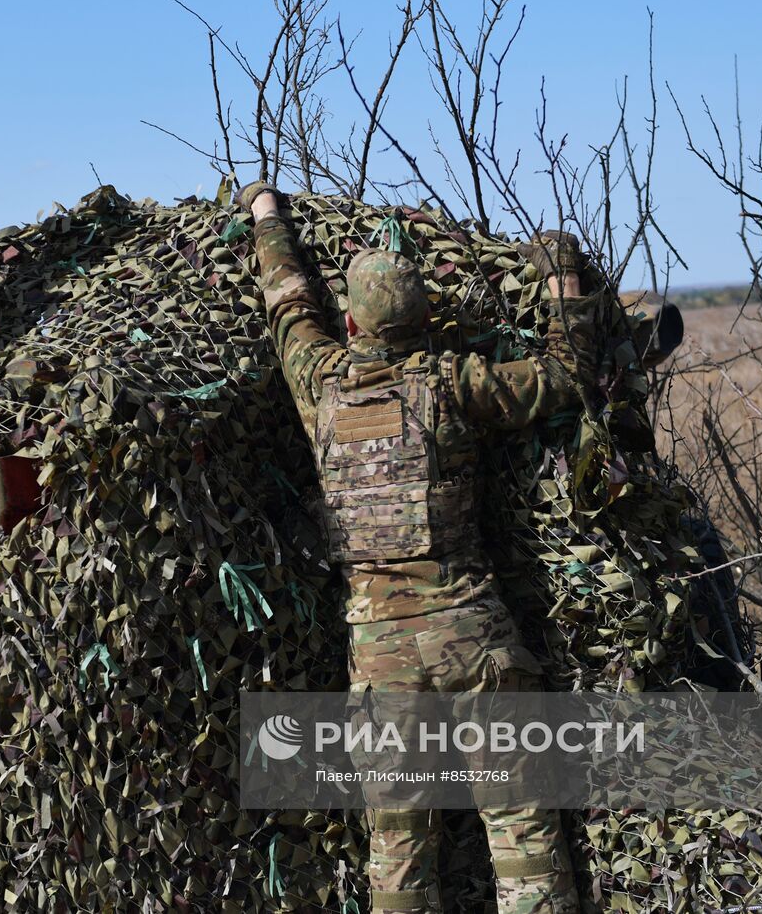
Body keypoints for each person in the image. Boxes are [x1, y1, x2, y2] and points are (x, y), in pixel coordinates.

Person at [240, 182, 596, 914]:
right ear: (426, 321)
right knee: (523, 832)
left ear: (351, 321)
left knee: (398, 857)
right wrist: (561, 278)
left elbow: (287, 300)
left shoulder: (320, 383)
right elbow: (564, 377)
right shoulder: (451, 384)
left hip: (382, 659)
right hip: (475, 638)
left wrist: (266, 215)